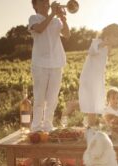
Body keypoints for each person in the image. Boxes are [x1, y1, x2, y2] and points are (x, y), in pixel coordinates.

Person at [28, 0, 71, 132]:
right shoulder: (33, 18)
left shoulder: (56, 21)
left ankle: (48, 125)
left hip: (57, 63)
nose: (46, 4)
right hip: (40, 63)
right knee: (39, 97)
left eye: (47, 1)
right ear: (35, 5)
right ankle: (35, 127)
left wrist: (62, 18)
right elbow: (40, 29)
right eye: (42, 2)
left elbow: (67, 34)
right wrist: (52, 14)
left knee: (53, 98)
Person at [78, 24, 118, 127]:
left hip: (97, 78)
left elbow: (106, 56)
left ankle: (91, 126)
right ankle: (91, 127)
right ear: (111, 35)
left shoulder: (106, 47)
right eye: (116, 39)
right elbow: (91, 51)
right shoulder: (97, 42)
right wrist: (105, 43)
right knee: (91, 104)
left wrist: (109, 45)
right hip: (90, 77)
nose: (116, 42)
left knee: (95, 103)